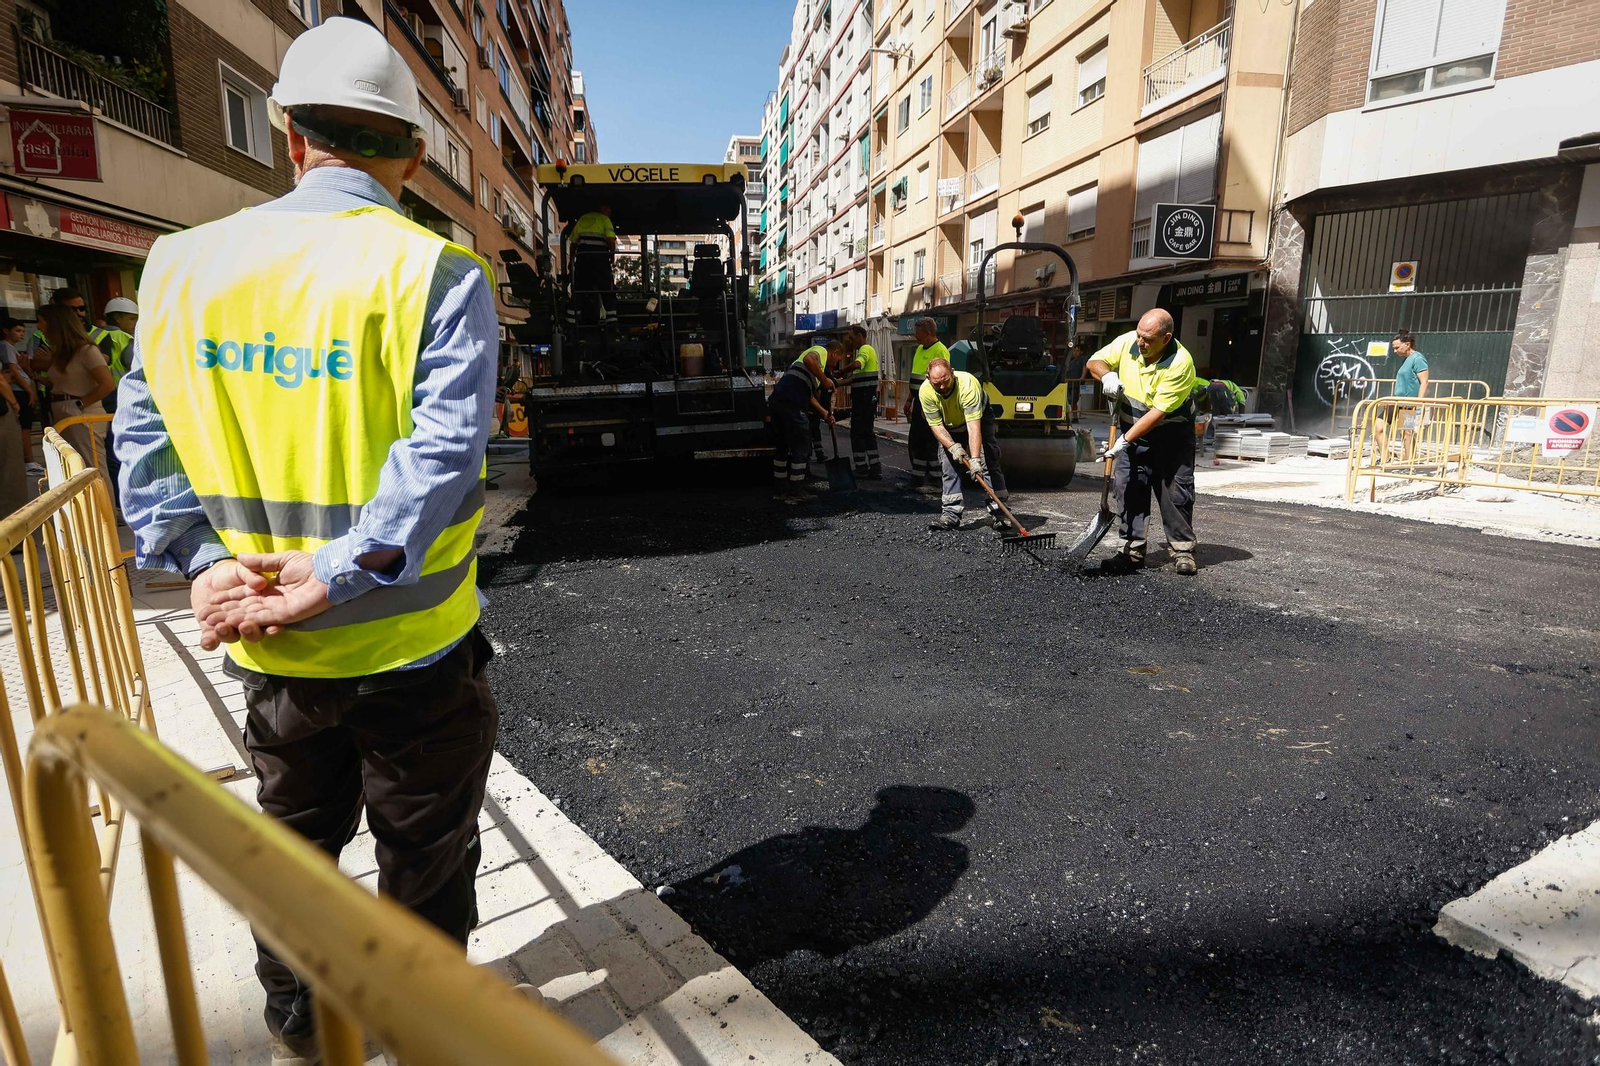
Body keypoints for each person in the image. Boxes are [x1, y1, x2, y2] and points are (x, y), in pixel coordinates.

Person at [114, 18, 499, 1062]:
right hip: (414, 652)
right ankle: (420, 1029)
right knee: (424, 860)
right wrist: (330, 578)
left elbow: (143, 448)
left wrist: (202, 564)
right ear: (412, 157)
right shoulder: (439, 273)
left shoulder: (180, 267)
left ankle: (303, 1028)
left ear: (288, 137)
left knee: (292, 854)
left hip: (271, 656)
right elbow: (442, 463)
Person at [1087, 308, 1199, 575]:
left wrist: (1124, 441)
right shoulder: (1129, 343)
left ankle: (1183, 551)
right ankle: (1131, 552)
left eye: (1148, 339)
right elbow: (1094, 361)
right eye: (1139, 336)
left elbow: (1157, 413)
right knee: (1128, 487)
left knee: (1175, 492)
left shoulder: (1181, 363)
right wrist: (1107, 375)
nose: (1141, 343)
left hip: (1171, 436)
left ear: (1166, 337)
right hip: (1132, 431)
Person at [920, 357, 1010, 532]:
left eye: (945, 381)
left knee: (988, 461)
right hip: (948, 424)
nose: (942, 387)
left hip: (979, 418)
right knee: (948, 464)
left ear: (952, 372)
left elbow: (973, 426)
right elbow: (936, 425)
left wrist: (975, 459)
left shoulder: (968, 385)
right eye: (936, 384)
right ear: (928, 378)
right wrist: (953, 447)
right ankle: (951, 514)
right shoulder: (925, 392)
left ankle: (999, 513)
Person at [37, 304, 114, 466]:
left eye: (41, 321)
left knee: (92, 466)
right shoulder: (62, 353)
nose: (38, 326)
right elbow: (60, 385)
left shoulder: (87, 350)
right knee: (73, 467)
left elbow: (107, 384)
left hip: (82, 413)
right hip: (63, 412)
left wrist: (79, 404)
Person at [769, 338, 839, 501]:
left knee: (782, 447)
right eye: (837, 360)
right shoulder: (820, 351)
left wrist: (825, 414)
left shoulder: (801, 369)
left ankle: (780, 491)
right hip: (792, 403)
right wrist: (825, 380)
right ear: (834, 353)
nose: (834, 365)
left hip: (779, 402)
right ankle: (795, 492)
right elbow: (810, 360)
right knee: (802, 445)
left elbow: (809, 398)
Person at [1373, 329, 1430, 461]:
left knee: (1406, 434)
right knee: (1378, 427)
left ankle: (1409, 462)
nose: (1395, 351)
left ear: (1407, 344)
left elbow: (1424, 382)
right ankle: (1385, 458)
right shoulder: (1406, 360)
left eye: (1397, 347)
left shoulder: (1418, 359)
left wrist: (1419, 405)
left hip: (1408, 404)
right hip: (1396, 401)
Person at [906, 317, 947, 490]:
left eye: (918, 332)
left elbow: (943, 380)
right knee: (917, 441)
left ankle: (935, 482)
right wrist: (909, 400)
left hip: (930, 404)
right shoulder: (920, 350)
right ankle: (917, 479)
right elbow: (916, 377)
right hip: (918, 402)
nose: (915, 335)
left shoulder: (940, 350)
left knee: (930, 441)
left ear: (928, 333)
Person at [838, 325, 881, 479]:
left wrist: (841, 371)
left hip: (864, 399)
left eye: (851, 337)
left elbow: (856, 365)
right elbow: (855, 379)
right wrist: (837, 383)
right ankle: (872, 467)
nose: (850, 341)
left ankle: (864, 467)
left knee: (859, 432)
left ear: (860, 336)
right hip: (864, 398)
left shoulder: (865, 350)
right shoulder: (866, 352)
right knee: (864, 432)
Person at [0, 317, 41, 476]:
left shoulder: (11, 347)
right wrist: (29, 390)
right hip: (18, 391)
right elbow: (13, 371)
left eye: (23, 331)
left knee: (26, 425)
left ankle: (28, 460)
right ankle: (28, 461)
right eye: (18, 330)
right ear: (6, 331)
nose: (22, 334)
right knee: (24, 426)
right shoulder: (5, 346)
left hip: (20, 389)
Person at [570, 202, 618, 324]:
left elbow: (573, 243)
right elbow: (611, 240)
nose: (609, 213)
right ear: (602, 208)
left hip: (582, 258)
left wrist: (571, 260)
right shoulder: (604, 219)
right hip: (599, 257)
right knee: (606, 287)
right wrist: (611, 255)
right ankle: (612, 321)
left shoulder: (582, 219)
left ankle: (573, 321)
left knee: (580, 289)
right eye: (608, 211)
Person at [1065, 340, 1089, 418]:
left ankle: (1075, 416)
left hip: (1076, 383)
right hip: (1069, 383)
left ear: (1081, 352)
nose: (1075, 352)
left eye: (1077, 351)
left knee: (1073, 400)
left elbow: (1085, 367)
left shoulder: (1083, 359)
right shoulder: (1072, 361)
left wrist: (1082, 377)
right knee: (1069, 400)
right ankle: (1070, 416)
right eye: (1074, 351)